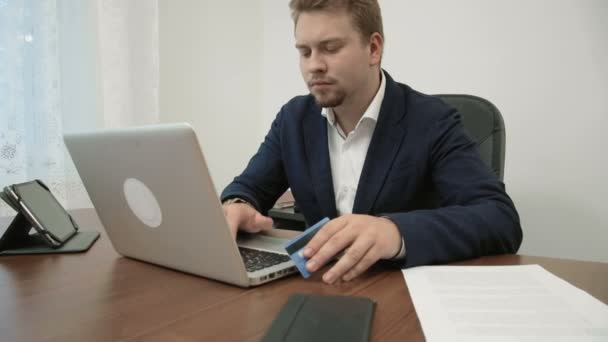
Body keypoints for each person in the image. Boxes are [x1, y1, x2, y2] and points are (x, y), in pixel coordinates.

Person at [221, 0, 522, 284]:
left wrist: (394, 231)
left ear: (374, 48)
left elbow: (500, 219)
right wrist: (237, 204)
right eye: (305, 52)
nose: (314, 66)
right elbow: (248, 187)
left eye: (330, 48)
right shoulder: (293, 119)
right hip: (323, 289)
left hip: (404, 297)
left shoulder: (433, 121)